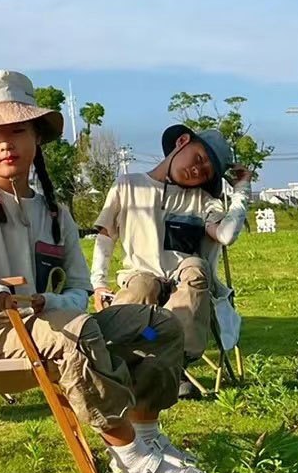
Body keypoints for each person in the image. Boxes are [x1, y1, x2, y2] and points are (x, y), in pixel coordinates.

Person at [0, 70, 223, 473]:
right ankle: (135, 458)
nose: (5, 144)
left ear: (36, 137)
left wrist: (50, 300)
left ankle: (143, 438)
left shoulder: (55, 212)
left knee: (158, 328)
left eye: (17, 131)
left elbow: (80, 290)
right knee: (77, 333)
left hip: (55, 325)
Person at [91, 123, 249, 379]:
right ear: (182, 142)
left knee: (196, 269)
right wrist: (98, 284)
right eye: (199, 158)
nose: (197, 169)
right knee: (143, 286)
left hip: (184, 290)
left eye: (206, 172)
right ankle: (131, 354)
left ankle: (175, 363)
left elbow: (225, 235)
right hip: (141, 282)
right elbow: (106, 236)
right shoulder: (128, 185)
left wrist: (241, 191)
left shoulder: (203, 200)